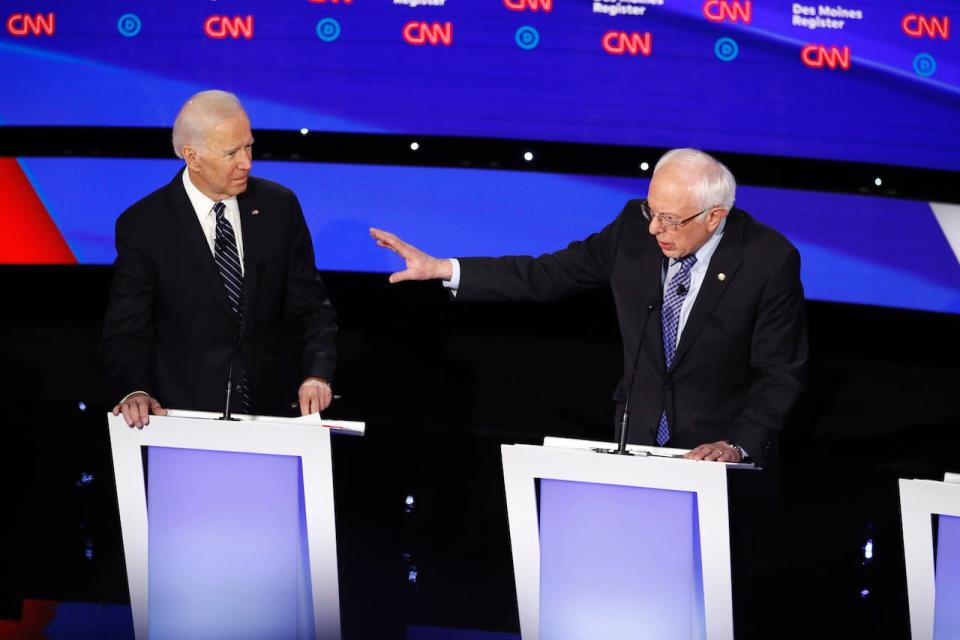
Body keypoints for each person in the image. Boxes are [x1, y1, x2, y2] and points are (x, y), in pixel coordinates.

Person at [370, 148, 807, 467]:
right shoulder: (632, 233)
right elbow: (544, 275)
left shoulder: (767, 260)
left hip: (720, 456)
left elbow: (781, 372)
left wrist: (737, 444)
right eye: (651, 211)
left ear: (715, 217)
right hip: (635, 446)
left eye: (671, 220)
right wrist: (443, 268)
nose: (656, 228)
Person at [100, 90, 337, 428]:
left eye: (248, 146)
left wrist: (317, 374)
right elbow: (125, 329)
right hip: (181, 418)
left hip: (272, 416)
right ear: (192, 157)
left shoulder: (278, 206)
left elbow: (312, 309)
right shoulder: (144, 225)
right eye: (231, 152)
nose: (247, 162)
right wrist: (133, 390)